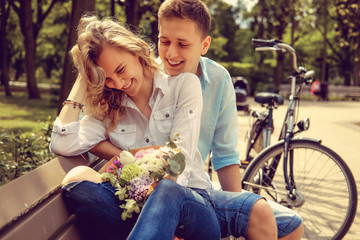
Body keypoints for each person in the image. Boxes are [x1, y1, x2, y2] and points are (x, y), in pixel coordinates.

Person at [90, 0, 304, 239]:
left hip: (200, 188)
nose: (171, 53)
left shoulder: (219, 79)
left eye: (182, 44)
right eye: (164, 41)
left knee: (292, 225)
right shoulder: (140, 77)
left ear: (204, 45)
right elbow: (86, 129)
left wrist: (237, 219)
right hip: (152, 188)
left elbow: (225, 156)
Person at [50, 15, 278, 239]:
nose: (118, 84)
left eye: (120, 70)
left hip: (191, 204)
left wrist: (136, 167)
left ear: (136, 51)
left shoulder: (183, 86)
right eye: (107, 78)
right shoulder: (108, 108)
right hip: (136, 208)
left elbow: (179, 161)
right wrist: (83, 76)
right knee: (77, 180)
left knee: (167, 189)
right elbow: (62, 143)